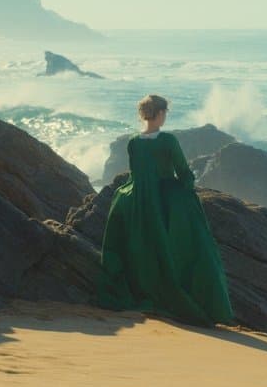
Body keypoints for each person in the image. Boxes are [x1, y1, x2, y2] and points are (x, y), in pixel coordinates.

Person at [96, 94, 235, 326]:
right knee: (199, 247)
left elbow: (135, 174)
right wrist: (189, 189)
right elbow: (182, 171)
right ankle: (206, 303)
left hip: (139, 199)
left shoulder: (134, 141)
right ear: (159, 113)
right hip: (165, 198)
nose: (165, 117)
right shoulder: (168, 140)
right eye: (165, 113)